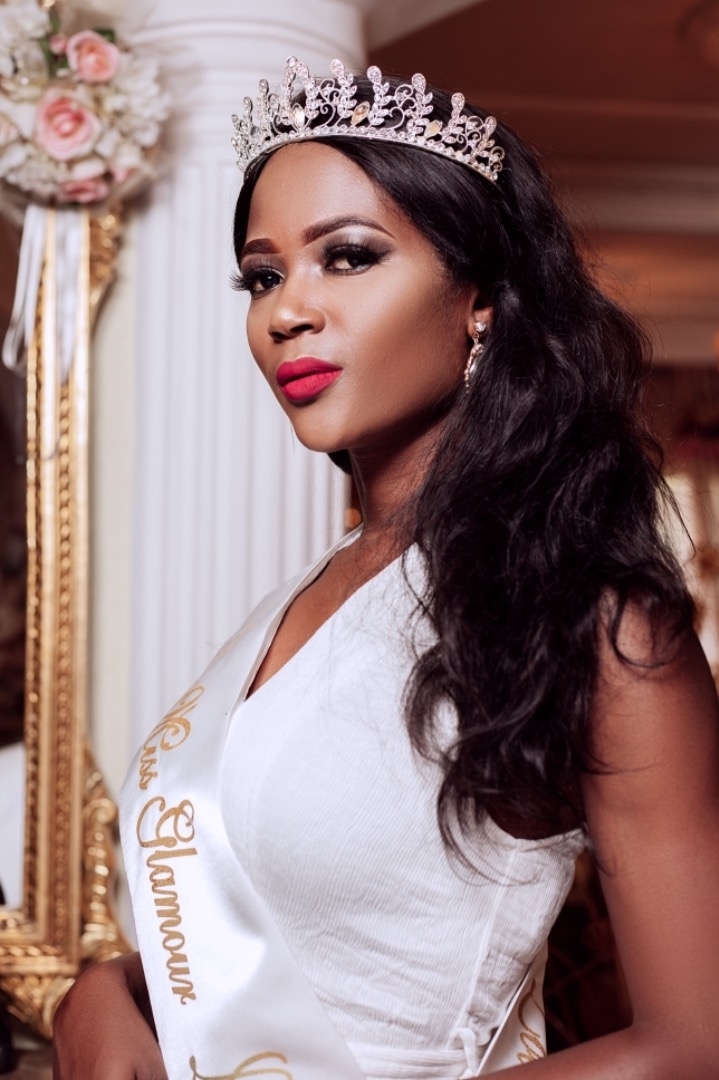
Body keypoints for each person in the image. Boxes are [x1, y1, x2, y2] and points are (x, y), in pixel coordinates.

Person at [53, 57, 719, 1080]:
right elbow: (300, 934)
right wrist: (103, 990)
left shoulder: (599, 626)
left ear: (481, 300)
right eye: (263, 275)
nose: (286, 311)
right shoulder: (311, 591)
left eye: (348, 257)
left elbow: (692, 1044)